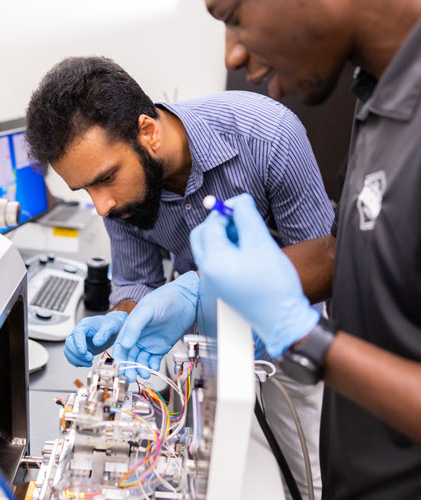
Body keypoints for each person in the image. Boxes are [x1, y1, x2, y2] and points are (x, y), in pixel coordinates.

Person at [25, 55, 334, 499]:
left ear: (147, 131)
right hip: (203, 356)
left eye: (105, 179)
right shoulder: (120, 196)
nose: (101, 206)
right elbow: (135, 284)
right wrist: (122, 318)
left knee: (310, 479)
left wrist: (217, 295)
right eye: (86, 190)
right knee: (228, 479)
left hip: (289, 341)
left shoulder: (267, 135)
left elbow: (325, 260)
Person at [192, 0, 421, 498]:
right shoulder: (379, 91)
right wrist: (200, 294)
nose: (231, 54)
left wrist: (305, 336)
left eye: (232, 15)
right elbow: (349, 252)